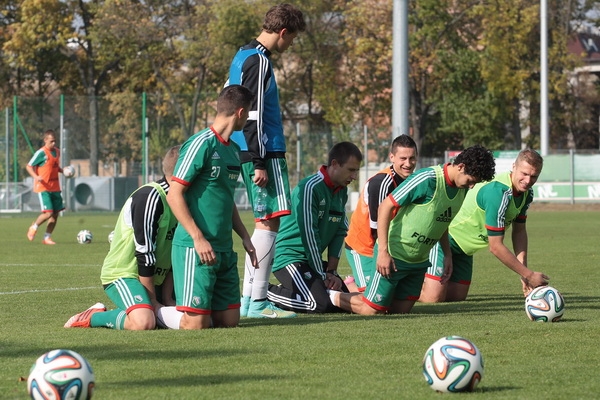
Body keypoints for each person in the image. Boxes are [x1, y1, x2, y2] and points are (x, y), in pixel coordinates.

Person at [331, 145, 496, 315]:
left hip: (418, 262)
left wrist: (447, 254)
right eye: (471, 180)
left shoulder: (460, 190)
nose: (471, 186)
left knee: (399, 311)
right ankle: (328, 296)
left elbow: (442, 222)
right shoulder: (428, 179)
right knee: (372, 310)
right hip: (395, 255)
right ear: (461, 167)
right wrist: (383, 252)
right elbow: (385, 206)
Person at [226, 3, 306, 319]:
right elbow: (251, 113)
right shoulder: (258, 61)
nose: (290, 45)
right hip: (262, 150)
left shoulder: (243, 54)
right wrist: (259, 160)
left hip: (246, 147)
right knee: (268, 220)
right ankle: (257, 302)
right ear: (283, 33)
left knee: (266, 219)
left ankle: (249, 300)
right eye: (292, 39)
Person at [166, 85, 258, 330]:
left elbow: (226, 201)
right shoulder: (201, 144)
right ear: (240, 112)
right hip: (195, 248)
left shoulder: (234, 151)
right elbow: (174, 194)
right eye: (248, 113)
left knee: (229, 322)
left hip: (224, 250)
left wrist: (245, 237)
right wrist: (198, 238)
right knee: (196, 324)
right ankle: (148, 314)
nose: (248, 118)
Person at [64, 145, 181, 330]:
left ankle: (145, 305)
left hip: (158, 280)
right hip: (125, 275)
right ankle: (93, 317)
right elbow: (145, 253)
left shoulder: (184, 201)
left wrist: (166, 298)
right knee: (144, 322)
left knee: (201, 313)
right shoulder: (150, 197)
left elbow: (176, 252)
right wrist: (152, 301)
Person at [419, 149, 549, 303]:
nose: (528, 181)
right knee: (433, 298)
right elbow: (495, 247)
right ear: (514, 166)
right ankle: (404, 287)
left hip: (465, 250)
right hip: (446, 239)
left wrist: (524, 272)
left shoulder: (527, 194)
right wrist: (529, 275)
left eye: (534, 176)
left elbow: (519, 231)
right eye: (524, 174)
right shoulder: (499, 192)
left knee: (456, 298)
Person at [266, 142, 363, 313]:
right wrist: (322, 274)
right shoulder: (310, 188)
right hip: (289, 258)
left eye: (356, 171)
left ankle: (297, 289)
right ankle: (263, 293)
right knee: (318, 304)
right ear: (334, 164)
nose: (354, 176)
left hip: (313, 262)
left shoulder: (341, 191)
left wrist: (331, 271)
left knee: (343, 304)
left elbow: (340, 231)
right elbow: (309, 235)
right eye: (351, 170)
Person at [344, 135, 418, 292]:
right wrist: (384, 254)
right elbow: (376, 227)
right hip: (363, 247)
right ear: (392, 157)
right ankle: (346, 286)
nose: (408, 163)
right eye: (403, 158)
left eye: (412, 158)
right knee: (370, 299)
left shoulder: (412, 181)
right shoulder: (381, 183)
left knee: (392, 298)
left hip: (387, 246)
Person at [26, 129, 66, 245]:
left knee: (55, 214)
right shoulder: (41, 153)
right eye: (51, 141)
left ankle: (47, 237)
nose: (53, 144)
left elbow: (54, 166)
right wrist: (36, 176)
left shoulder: (57, 152)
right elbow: (29, 166)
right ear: (45, 140)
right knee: (48, 213)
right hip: (43, 187)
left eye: (55, 141)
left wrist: (63, 171)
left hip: (55, 187)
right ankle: (34, 227)